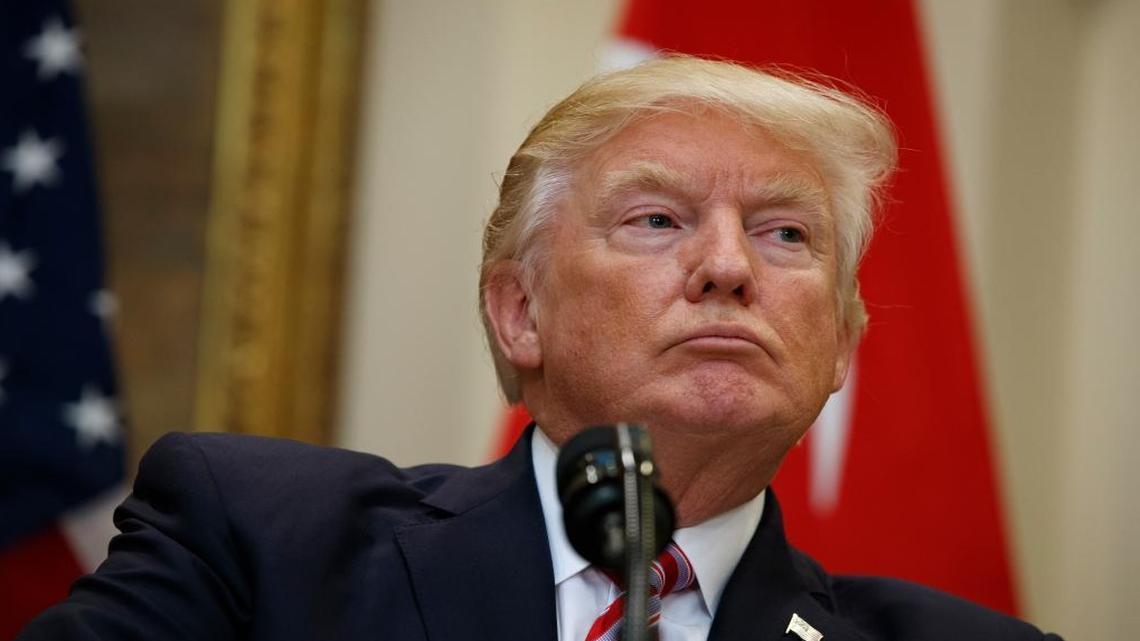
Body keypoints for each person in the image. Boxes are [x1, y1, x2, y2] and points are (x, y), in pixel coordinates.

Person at [19, 56, 1062, 641]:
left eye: (787, 233)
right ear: (520, 312)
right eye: (657, 219)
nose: (728, 266)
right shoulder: (260, 542)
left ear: (840, 343)